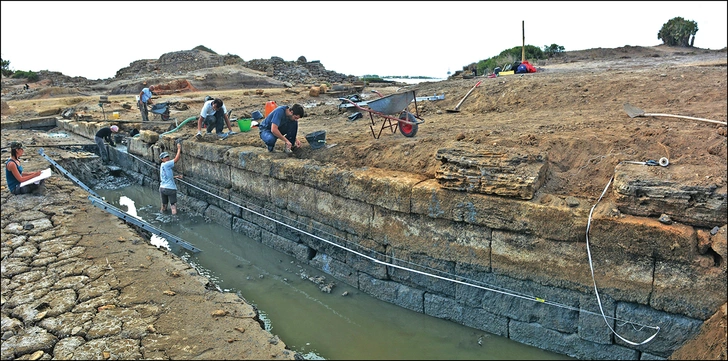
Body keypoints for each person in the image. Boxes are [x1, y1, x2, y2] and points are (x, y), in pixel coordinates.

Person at [159, 143, 182, 215]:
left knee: (164, 205)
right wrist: (179, 149)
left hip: (162, 188)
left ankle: (162, 214)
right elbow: (176, 159)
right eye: (165, 157)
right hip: (170, 189)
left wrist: (176, 177)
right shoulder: (167, 164)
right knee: (173, 206)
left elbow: (166, 177)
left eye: (168, 156)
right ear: (162, 159)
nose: (167, 158)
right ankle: (174, 219)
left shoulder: (162, 166)